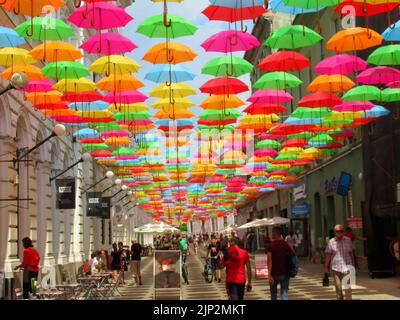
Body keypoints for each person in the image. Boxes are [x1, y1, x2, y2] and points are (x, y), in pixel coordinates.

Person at [324, 224, 355, 300]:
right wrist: (325, 267)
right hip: (336, 268)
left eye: (341, 231)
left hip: (347, 267)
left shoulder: (348, 240)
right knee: (338, 288)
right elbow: (328, 255)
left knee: (347, 288)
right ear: (335, 232)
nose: (339, 233)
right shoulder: (331, 241)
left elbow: (351, 253)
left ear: (343, 232)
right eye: (337, 231)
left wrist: (353, 266)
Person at [267, 227, 294, 300]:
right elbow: (293, 255)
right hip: (284, 274)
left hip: (274, 274)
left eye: (272, 232)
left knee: (273, 294)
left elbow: (269, 261)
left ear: (275, 233)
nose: (271, 234)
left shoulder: (271, 246)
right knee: (284, 292)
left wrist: (269, 275)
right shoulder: (286, 245)